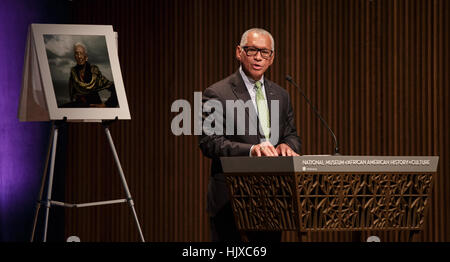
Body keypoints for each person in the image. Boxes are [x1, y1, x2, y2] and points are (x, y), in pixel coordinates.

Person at [199, 28, 302, 241]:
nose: (258, 57)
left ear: (272, 58)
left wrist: (287, 146)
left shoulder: (281, 95)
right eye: (252, 50)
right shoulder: (217, 93)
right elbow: (209, 142)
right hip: (230, 199)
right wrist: (253, 150)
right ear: (239, 52)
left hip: (273, 199)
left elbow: (291, 134)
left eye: (264, 52)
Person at [62, 42, 118, 108]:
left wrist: (106, 105)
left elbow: (116, 89)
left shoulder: (94, 73)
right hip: (79, 108)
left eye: (81, 53)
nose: (79, 56)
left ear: (86, 56)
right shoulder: (73, 72)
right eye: (77, 53)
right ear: (75, 56)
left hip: (93, 109)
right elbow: (73, 94)